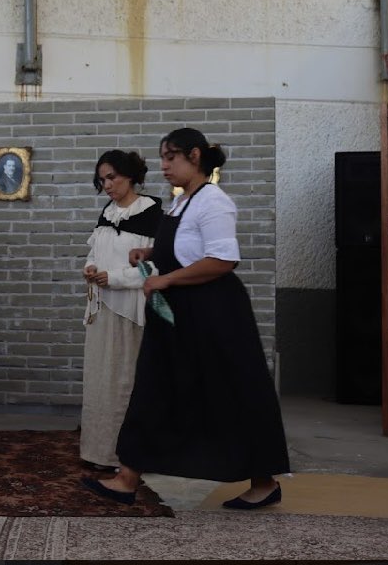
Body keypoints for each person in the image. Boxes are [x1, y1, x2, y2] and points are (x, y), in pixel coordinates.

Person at [81, 128, 290, 509]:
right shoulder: (181, 203)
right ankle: (128, 477)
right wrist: (148, 255)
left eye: (170, 157)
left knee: (229, 396)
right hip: (177, 311)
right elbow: (183, 250)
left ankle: (263, 481)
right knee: (154, 387)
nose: (163, 166)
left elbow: (222, 260)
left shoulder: (214, 202)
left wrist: (166, 278)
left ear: (195, 156)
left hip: (213, 314)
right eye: (162, 157)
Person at [80, 150, 162, 470]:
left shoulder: (152, 212)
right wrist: (90, 268)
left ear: (130, 175)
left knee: (125, 381)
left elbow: (154, 268)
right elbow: (94, 251)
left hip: (132, 309)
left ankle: (124, 456)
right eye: (102, 180)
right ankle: (98, 451)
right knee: (101, 380)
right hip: (102, 308)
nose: (108, 185)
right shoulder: (108, 212)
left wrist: (113, 278)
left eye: (112, 177)